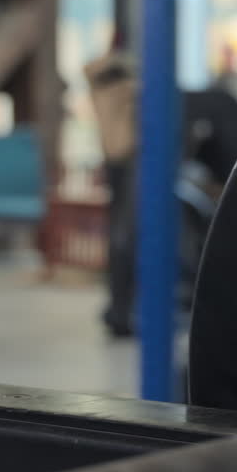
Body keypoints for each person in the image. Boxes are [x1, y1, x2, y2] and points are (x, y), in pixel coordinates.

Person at [85, 47, 139, 337]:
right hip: (129, 163)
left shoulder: (109, 86)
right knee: (124, 238)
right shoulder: (124, 87)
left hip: (121, 162)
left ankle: (120, 308)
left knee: (122, 238)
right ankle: (121, 310)